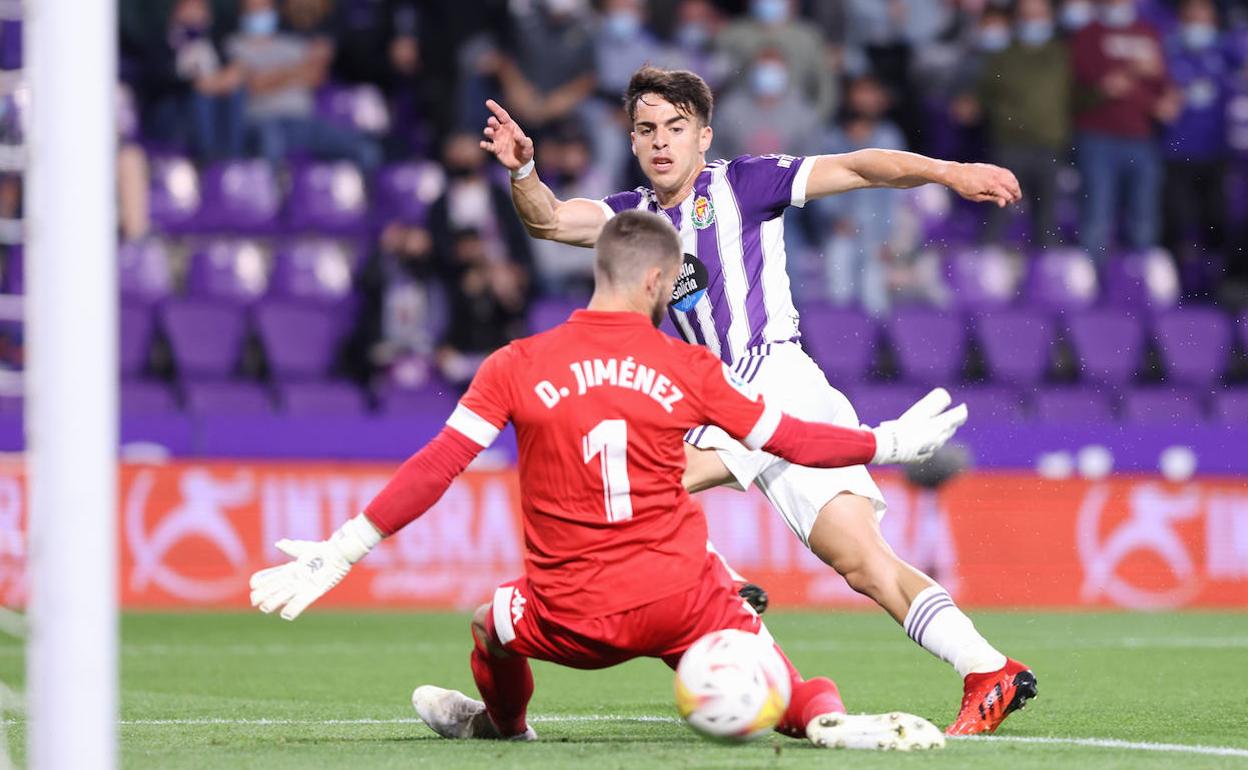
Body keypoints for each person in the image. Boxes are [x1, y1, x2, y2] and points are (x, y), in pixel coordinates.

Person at [249, 210, 966, 749]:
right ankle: (823, 719)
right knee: (768, 663)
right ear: (656, 280)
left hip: (569, 615)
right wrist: (890, 441)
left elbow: (439, 464)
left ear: (600, 271)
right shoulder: (689, 368)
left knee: (488, 624)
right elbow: (793, 439)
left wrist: (342, 549)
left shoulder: (515, 363)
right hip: (682, 600)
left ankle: (507, 727)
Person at [479, 65, 1035, 736]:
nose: (661, 142)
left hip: (770, 379)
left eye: (676, 129)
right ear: (631, 141)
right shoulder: (632, 218)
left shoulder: (743, 183)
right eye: (647, 130)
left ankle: (718, 589)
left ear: (703, 136)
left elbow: (862, 167)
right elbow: (548, 222)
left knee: (639, 485)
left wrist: (950, 172)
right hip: (726, 401)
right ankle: (989, 669)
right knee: (863, 562)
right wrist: (522, 172)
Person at [1070, 0, 1169, 257]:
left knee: (1144, 217)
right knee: (1097, 216)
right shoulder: (1087, 34)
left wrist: (1167, 98)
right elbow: (1071, 91)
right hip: (1098, 136)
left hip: (1141, 136)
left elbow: (1163, 83)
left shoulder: (1149, 32)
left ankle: (1140, 284)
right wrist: (1102, 90)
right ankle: (1095, 288)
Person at [974, 0, 1072, 246]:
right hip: (1010, 143)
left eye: (1038, 14)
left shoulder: (1063, 54)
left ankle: (1047, 276)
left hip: (1048, 144)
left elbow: (1078, 94)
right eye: (1028, 14)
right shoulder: (1004, 55)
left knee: (1047, 219)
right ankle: (986, 271)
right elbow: (985, 92)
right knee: (998, 212)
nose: (1033, 20)